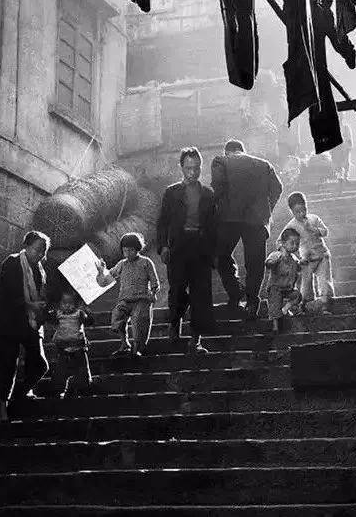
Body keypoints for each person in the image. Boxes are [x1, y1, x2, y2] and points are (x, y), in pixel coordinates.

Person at [211, 138, 283, 319]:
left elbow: (218, 189)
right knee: (255, 263)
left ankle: (236, 292)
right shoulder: (264, 165)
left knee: (220, 255)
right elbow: (277, 188)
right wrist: (266, 210)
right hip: (257, 219)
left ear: (227, 151)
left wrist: (217, 213)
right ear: (242, 150)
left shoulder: (221, 161)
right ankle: (252, 302)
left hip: (229, 218)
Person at [0, 231, 51, 420]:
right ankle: (1, 407)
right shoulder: (12, 263)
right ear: (27, 246)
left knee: (40, 364)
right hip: (8, 322)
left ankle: (19, 394)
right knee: (5, 364)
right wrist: (31, 305)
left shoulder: (40, 270)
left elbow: (41, 295)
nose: (40, 254)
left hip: (30, 322)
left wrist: (42, 308)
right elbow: (8, 294)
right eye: (37, 250)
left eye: (43, 251)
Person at [157, 147, 216, 353]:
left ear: (201, 168)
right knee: (177, 290)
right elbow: (162, 222)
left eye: (196, 168)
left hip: (200, 248)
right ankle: (174, 326)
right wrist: (163, 246)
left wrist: (214, 254)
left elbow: (213, 226)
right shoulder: (171, 192)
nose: (192, 172)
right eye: (188, 168)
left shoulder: (208, 194)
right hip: (178, 248)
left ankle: (196, 339)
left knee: (200, 293)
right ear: (181, 168)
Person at [96, 232, 160, 357]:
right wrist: (101, 272)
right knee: (117, 316)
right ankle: (124, 343)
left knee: (139, 322)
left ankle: (136, 349)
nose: (128, 253)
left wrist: (153, 292)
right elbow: (106, 280)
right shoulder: (121, 264)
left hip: (141, 299)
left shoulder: (146, 262)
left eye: (131, 250)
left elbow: (154, 281)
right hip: (125, 300)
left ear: (137, 249)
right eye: (125, 251)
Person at [284, 191, 335, 313]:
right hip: (306, 260)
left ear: (306, 206)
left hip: (322, 255)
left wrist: (314, 229)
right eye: (298, 212)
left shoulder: (314, 218)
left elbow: (325, 231)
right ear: (292, 212)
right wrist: (294, 257)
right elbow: (281, 241)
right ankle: (307, 305)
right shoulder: (292, 225)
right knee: (306, 286)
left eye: (304, 210)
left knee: (324, 282)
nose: (302, 213)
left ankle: (325, 304)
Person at [49, 290, 94, 398]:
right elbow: (51, 321)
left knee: (82, 370)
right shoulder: (58, 314)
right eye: (64, 303)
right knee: (61, 371)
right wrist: (49, 311)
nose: (67, 305)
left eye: (70, 303)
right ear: (60, 304)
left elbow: (89, 322)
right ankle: (60, 389)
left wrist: (87, 312)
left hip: (78, 346)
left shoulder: (79, 313)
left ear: (76, 304)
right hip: (63, 347)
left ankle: (82, 388)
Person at [265, 227, 303, 333]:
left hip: (287, 288)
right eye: (292, 243)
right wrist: (272, 263)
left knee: (297, 296)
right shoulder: (277, 255)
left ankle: (285, 309)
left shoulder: (293, 258)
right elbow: (269, 262)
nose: (295, 246)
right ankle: (275, 326)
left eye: (297, 244)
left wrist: (301, 264)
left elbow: (298, 267)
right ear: (283, 243)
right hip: (276, 287)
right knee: (275, 305)